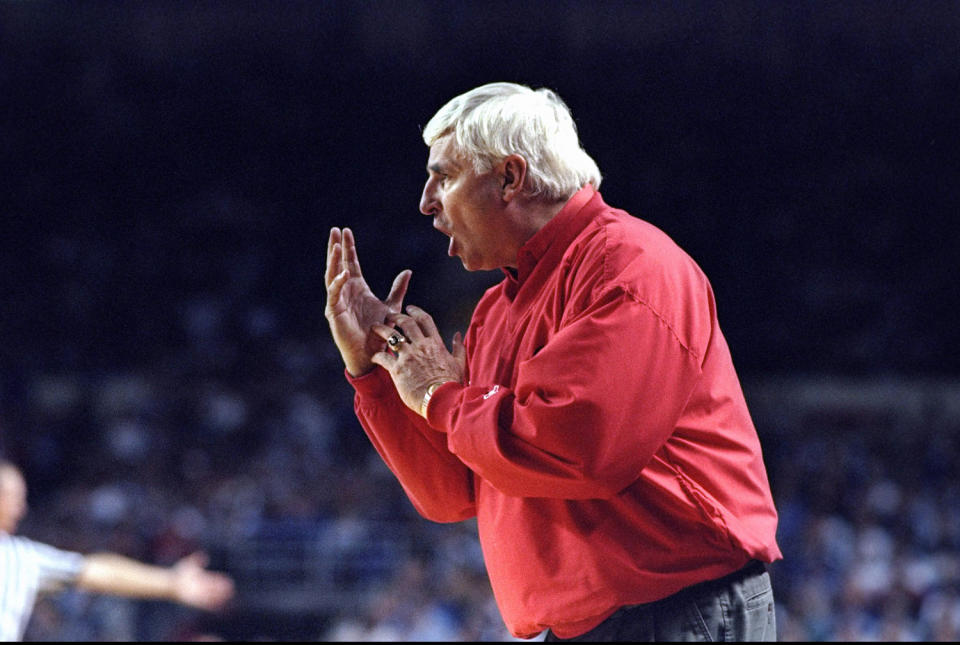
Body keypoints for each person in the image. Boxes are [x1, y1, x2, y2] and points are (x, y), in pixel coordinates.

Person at [324, 81, 782, 642]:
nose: (426, 201)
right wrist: (374, 370)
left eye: (443, 176)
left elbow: (577, 449)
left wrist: (441, 395)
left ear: (510, 178)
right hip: (596, 625)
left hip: (677, 610)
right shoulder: (499, 306)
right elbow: (457, 490)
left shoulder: (631, 266)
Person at [0, 459, 235, 641]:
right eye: (14, 498)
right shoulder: (17, 556)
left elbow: (93, 570)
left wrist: (170, 582)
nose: (21, 508)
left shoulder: (21, 557)